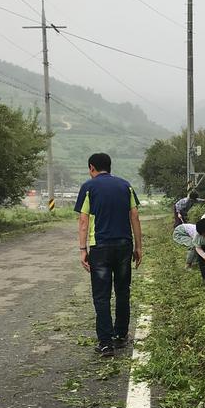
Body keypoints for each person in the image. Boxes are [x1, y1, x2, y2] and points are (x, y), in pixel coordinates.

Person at [75, 152, 143, 358]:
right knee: (122, 291)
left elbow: (83, 221)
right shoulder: (126, 186)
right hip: (124, 245)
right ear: (110, 167)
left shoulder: (89, 187)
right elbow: (135, 216)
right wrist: (139, 247)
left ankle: (105, 344)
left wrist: (82, 250)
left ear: (91, 167)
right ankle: (121, 335)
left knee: (102, 296)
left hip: (100, 247)